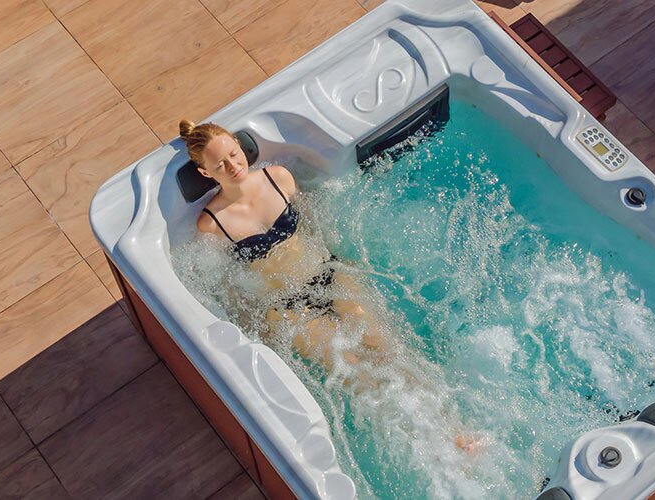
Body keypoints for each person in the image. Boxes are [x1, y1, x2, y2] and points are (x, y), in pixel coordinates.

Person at [178, 120, 483, 453]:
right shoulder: (211, 224)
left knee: (389, 348)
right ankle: (428, 446)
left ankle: (456, 429)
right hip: (289, 310)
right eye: (220, 164)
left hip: (327, 273)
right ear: (205, 173)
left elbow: (315, 224)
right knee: (356, 374)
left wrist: (347, 264)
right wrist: (257, 332)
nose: (233, 166)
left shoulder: (277, 177)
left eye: (234, 154)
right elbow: (228, 286)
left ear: (240, 147)